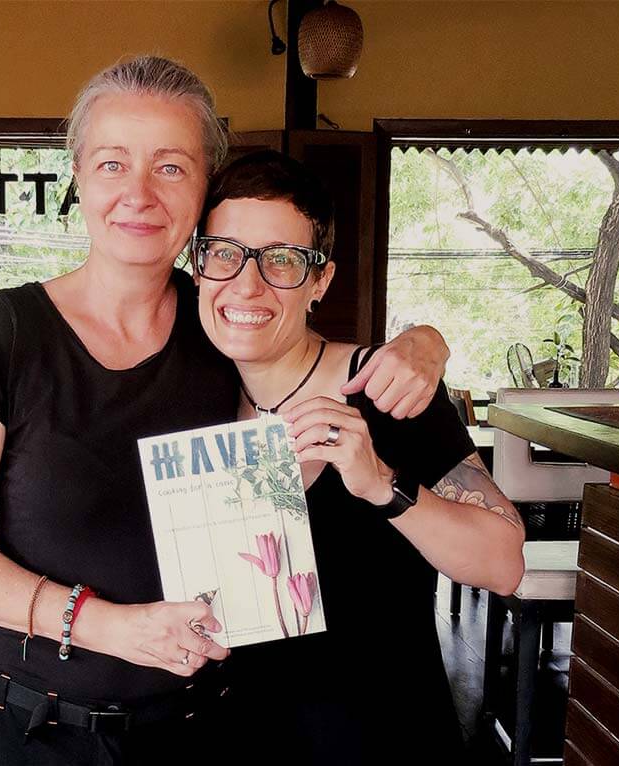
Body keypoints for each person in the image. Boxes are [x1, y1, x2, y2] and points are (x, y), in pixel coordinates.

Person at [0, 56, 453, 766]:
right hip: (35, 733)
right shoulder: (8, 329)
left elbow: (319, 349)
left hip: (203, 733)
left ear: (202, 193)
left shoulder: (223, 323)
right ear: (77, 176)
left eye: (170, 167)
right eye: (111, 164)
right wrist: (106, 626)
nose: (138, 193)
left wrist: (425, 343)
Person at [192, 150, 526, 764]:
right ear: (198, 267)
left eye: (283, 260)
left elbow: (503, 563)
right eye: (224, 252)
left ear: (321, 280)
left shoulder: (386, 388)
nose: (247, 283)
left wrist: (381, 484)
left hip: (382, 736)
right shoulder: (186, 392)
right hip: (233, 733)